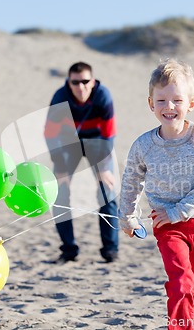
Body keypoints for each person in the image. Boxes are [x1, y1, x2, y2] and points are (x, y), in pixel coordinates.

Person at [118, 59, 194, 330]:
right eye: (162, 100)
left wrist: (180, 210)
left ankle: (187, 315)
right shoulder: (143, 145)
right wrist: (128, 217)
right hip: (167, 224)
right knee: (181, 283)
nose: (169, 107)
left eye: (177, 100)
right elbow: (131, 182)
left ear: (191, 103)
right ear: (151, 103)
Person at [44, 61, 119, 264]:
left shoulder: (103, 96)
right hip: (70, 144)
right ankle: (69, 250)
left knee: (106, 192)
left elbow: (108, 134)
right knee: (60, 193)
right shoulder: (60, 98)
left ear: (93, 82)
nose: (81, 87)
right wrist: (60, 168)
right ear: (69, 82)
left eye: (85, 81)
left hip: (98, 142)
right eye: (75, 82)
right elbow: (50, 135)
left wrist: (104, 169)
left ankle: (110, 250)